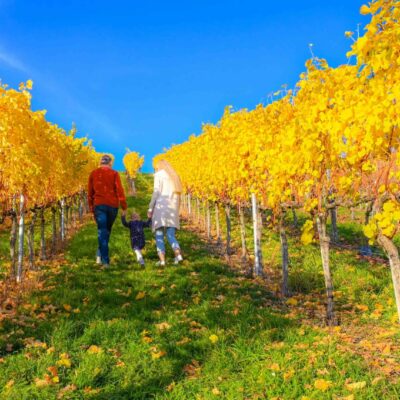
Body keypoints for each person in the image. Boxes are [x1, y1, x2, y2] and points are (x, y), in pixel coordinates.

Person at [88, 154, 127, 268]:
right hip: (112, 206)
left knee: (103, 231)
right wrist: (124, 206)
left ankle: (101, 256)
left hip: (99, 205)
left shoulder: (93, 173)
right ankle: (104, 260)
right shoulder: (114, 174)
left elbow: (90, 193)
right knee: (106, 231)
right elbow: (119, 190)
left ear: (100, 162)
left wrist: (91, 209)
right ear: (110, 163)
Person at [148, 159, 183, 266]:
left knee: (159, 234)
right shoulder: (175, 176)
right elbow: (179, 196)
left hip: (161, 207)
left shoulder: (159, 175)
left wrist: (150, 208)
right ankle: (178, 256)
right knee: (170, 234)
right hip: (173, 208)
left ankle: (162, 261)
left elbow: (156, 192)